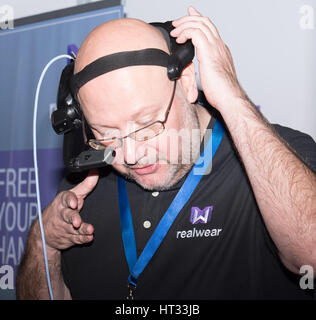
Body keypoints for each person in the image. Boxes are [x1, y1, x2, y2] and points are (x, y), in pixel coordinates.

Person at [16, 7, 316, 300]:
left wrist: (232, 98)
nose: (130, 155)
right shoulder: (83, 186)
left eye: (147, 125)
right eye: (107, 135)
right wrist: (43, 245)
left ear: (186, 82)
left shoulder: (276, 159)